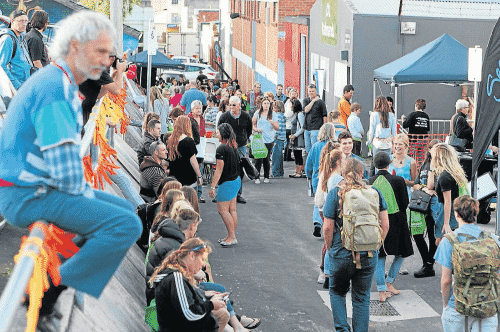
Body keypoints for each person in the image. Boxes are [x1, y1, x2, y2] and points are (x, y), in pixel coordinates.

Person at [0, 11, 142, 328]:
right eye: (101, 52)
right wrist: (86, 204)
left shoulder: (58, 81)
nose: (107, 62)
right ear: (75, 48)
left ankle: (51, 286)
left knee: (120, 210)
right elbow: (67, 175)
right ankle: (46, 288)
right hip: (26, 194)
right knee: (124, 225)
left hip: (32, 187)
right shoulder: (56, 90)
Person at [323, 158, 389, 332]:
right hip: (368, 254)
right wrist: (375, 244)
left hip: (341, 252)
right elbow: (385, 225)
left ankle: (342, 330)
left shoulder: (335, 194)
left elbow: (328, 227)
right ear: (363, 173)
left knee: (337, 292)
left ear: (343, 174)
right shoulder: (375, 192)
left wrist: (330, 248)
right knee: (361, 297)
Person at [435, 195, 500, 332]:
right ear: (476, 213)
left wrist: (446, 305)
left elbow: (446, 280)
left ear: (456, 214)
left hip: (458, 306)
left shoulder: (449, 241)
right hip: (486, 306)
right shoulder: (493, 240)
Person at [150, 238, 227, 332]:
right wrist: (211, 304)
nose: (203, 265)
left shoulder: (180, 274)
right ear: (192, 255)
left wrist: (206, 295)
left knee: (223, 314)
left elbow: (185, 300)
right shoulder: (176, 277)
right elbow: (189, 313)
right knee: (222, 314)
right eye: (202, 259)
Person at [369, 151, 413, 302]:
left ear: (374, 164)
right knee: (402, 253)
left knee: (380, 255)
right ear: (389, 164)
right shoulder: (398, 180)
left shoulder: (369, 182)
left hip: (377, 222)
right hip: (397, 220)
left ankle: (382, 289)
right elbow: (405, 203)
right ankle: (389, 282)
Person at [314, 147, 344, 288]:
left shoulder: (326, 175)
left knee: (328, 243)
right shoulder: (338, 179)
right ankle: (330, 273)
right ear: (338, 161)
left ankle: (326, 273)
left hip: (326, 210)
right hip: (335, 213)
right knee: (333, 244)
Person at [208, 123, 242, 247]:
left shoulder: (221, 148)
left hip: (227, 183)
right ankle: (231, 235)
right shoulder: (233, 146)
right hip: (236, 181)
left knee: (223, 210)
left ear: (222, 134)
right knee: (232, 210)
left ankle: (232, 236)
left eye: (218, 132)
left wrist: (212, 187)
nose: (216, 134)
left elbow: (219, 169)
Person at [412, 139, 440, 278]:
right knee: (417, 233)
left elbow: (437, 187)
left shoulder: (440, 166)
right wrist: (425, 188)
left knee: (432, 235)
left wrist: (430, 189)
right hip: (420, 204)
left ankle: (429, 265)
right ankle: (427, 263)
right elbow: (415, 184)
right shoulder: (424, 165)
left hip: (434, 205)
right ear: (428, 150)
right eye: (431, 148)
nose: (433, 151)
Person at [79, 46, 127, 126]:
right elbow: (116, 91)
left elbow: (99, 95)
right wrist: (120, 71)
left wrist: (113, 76)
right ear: (111, 58)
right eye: (114, 59)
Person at [218, 96, 253, 204]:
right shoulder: (224, 116)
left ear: (239, 105)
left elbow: (249, 130)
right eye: (230, 104)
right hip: (227, 146)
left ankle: (238, 194)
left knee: (239, 170)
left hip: (240, 146)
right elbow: (220, 129)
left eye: (233, 105)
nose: (231, 107)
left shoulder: (246, 116)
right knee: (224, 168)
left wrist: (243, 139)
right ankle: (222, 193)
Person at [431, 143, 468, 244]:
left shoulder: (444, 176)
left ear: (438, 157)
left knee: (441, 241)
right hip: (457, 208)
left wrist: (446, 223)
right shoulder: (455, 172)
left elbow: (448, 201)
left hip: (448, 211)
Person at [305, 123, 336, 237]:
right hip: (330, 176)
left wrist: (309, 175)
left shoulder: (316, 146)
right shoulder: (333, 146)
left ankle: (317, 223)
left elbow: (309, 163)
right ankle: (329, 224)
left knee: (318, 201)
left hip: (317, 177)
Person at [167, 115, 203, 190]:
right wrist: (199, 176)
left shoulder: (170, 140)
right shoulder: (188, 141)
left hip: (174, 177)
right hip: (187, 177)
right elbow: (193, 161)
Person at [0, 9, 32, 89]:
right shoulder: (8, 39)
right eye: (21, 21)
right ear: (12, 21)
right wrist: (17, 86)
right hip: (15, 87)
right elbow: (1, 66)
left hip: (25, 84)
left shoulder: (21, 37)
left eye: (26, 21)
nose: (24, 24)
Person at [368, 96, 397, 176]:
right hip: (388, 143)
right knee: (388, 165)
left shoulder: (374, 114)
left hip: (377, 143)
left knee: (376, 165)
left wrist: (369, 142)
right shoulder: (391, 115)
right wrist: (395, 143)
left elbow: (371, 130)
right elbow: (394, 131)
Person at [253, 97, 279, 184]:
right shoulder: (258, 113)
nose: (266, 105)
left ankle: (266, 176)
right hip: (259, 138)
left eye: (268, 103)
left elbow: (277, 127)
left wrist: (273, 124)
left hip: (269, 139)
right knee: (258, 159)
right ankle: (256, 177)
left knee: (266, 159)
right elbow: (252, 124)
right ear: (261, 104)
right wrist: (256, 129)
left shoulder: (273, 114)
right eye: (265, 103)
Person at [188, 100, 207, 203]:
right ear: (192, 109)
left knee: (200, 169)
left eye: (200, 108)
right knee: (192, 170)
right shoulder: (188, 118)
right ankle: (192, 194)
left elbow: (203, 132)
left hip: (201, 146)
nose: (199, 110)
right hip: (192, 146)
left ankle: (199, 194)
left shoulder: (202, 118)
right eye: (197, 108)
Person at [303, 84, 327, 157]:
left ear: (316, 91)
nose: (311, 92)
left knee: (315, 149)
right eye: (309, 91)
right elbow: (306, 110)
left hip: (316, 128)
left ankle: (316, 166)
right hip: (306, 128)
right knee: (308, 150)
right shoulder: (306, 100)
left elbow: (324, 115)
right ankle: (310, 166)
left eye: (313, 91)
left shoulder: (320, 102)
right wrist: (313, 101)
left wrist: (324, 128)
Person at [289, 89, 305, 178]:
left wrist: (295, 135)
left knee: (298, 154)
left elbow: (303, 127)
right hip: (294, 137)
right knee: (295, 154)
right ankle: (297, 171)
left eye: (291, 105)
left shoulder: (300, 114)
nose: (290, 106)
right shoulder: (295, 114)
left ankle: (299, 172)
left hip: (298, 138)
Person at [271, 100, 286, 178]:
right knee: (279, 156)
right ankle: (280, 172)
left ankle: (276, 173)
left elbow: (278, 128)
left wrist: (274, 136)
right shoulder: (282, 115)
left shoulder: (277, 116)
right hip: (282, 138)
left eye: (274, 107)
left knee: (275, 157)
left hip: (278, 138)